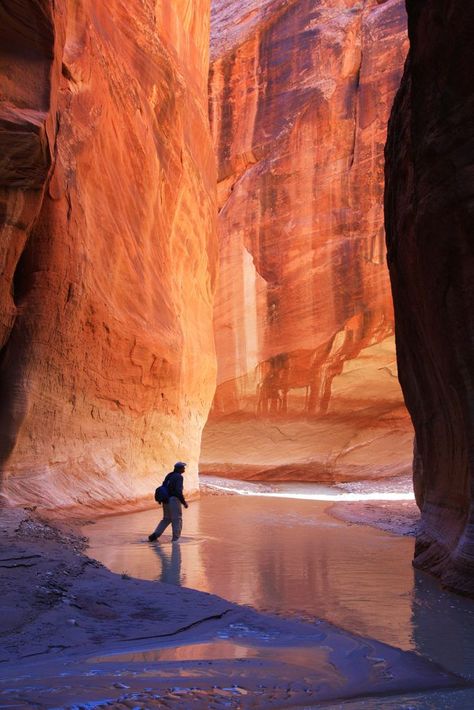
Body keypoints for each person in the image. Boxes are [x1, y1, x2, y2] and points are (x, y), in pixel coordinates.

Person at [148, 462, 189, 542]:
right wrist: (183, 502)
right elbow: (178, 491)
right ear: (179, 468)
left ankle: (155, 535)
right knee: (177, 519)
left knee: (166, 519)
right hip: (174, 500)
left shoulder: (169, 475)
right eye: (183, 468)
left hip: (166, 499)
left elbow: (164, 486)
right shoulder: (179, 477)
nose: (184, 469)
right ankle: (175, 540)